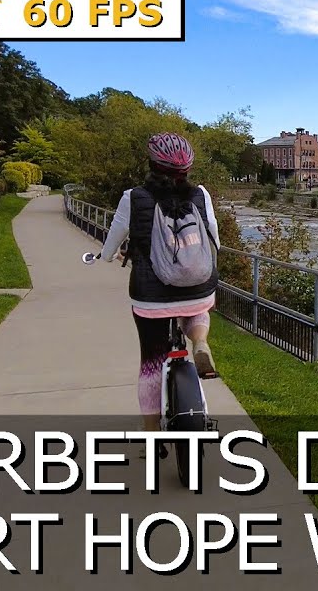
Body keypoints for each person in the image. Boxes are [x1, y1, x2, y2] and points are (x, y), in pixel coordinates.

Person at [99, 133, 222, 440]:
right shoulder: (201, 195)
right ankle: (200, 341)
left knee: (151, 363)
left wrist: (107, 256)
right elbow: (214, 240)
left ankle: (152, 436)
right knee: (199, 305)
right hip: (198, 286)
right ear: (188, 170)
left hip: (151, 298)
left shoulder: (133, 197)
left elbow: (112, 242)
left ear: (152, 164)